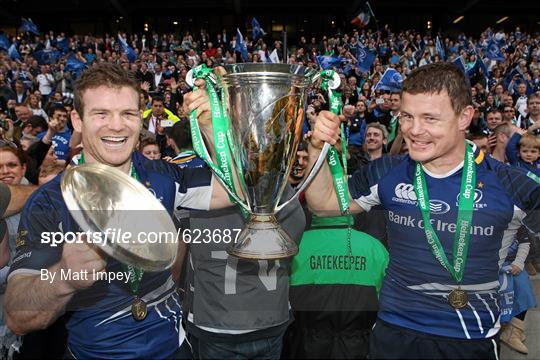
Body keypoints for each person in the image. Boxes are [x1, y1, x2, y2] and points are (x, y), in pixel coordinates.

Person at [306, 63, 540, 359]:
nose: (414, 131)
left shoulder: (510, 183)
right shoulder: (388, 171)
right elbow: (325, 205)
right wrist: (317, 148)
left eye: (429, 118)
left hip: (469, 339)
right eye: (406, 116)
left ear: (464, 117)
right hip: (393, 332)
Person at [4, 63, 232, 359]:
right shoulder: (50, 202)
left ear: (141, 118)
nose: (117, 125)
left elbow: (235, 191)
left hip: (174, 350)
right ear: (77, 119)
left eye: (128, 113)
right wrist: (62, 278)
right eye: (101, 114)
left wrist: (212, 126)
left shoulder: (162, 176)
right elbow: (17, 315)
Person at [181, 77, 307, 360]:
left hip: (218, 322)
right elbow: (297, 230)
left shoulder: (189, 179)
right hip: (265, 320)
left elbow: (174, 251)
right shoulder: (273, 178)